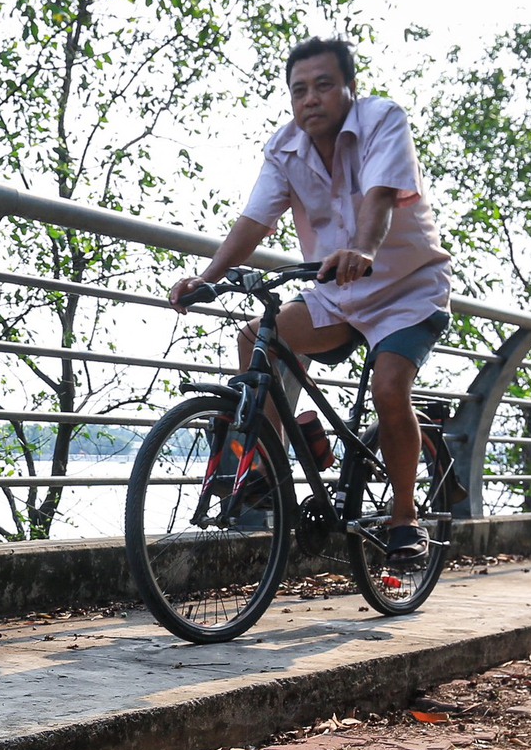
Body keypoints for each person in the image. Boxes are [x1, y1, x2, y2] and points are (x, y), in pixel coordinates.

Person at [171, 35, 451, 563]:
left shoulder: (381, 120)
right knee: (258, 336)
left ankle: (405, 519)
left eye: (324, 85)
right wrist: (207, 277)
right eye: (299, 90)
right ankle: (268, 470)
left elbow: (381, 196)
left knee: (391, 388)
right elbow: (255, 221)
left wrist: (363, 248)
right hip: (337, 291)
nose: (310, 99)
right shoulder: (284, 148)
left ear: (350, 87)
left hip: (407, 289)